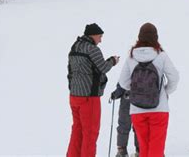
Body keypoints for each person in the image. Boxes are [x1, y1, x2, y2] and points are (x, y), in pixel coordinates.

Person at [118, 23, 179, 157]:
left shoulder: (131, 56)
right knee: (156, 149)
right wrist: (164, 92)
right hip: (159, 109)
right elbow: (174, 77)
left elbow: (123, 82)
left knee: (143, 148)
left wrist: (136, 91)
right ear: (155, 37)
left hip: (137, 109)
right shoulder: (161, 55)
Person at [67, 23, 120, 157]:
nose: (100, 40)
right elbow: (103, 67)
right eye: (100, 37)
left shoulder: (75, 47)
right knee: (90, 133)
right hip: (88, 98)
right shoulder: (92, 49)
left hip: (74, 96)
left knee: (77, 131)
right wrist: (112, 61)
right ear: (93, 35)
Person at [111, 84, 139, 157]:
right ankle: (140, 150)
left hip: (127, 101)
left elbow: (123, 83)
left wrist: (115, 94)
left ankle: (122, 151)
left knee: (124, 125)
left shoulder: (127, 72)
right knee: (139, 126)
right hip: (142, 101)